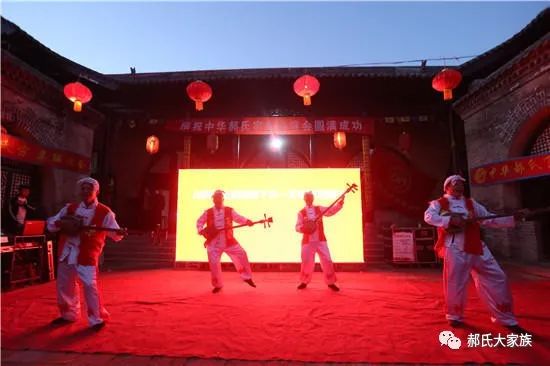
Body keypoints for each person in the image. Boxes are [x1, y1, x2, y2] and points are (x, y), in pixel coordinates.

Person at [424, 175, 526, 332]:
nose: (459, 187)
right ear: (447, 187)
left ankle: (505, 317)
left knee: (498, 277)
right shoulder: (439, 203)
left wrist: (512, 218)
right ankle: (455, 316)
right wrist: (450, 221)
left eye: (461, 185)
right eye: (455, 184)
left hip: (476, 245)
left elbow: (489, 218)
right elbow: (429, 216)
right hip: (455, 248)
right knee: (455, 283)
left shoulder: (471, 203)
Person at [47, 177, 126, 330]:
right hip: (67, 252)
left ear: (97, 191)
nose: (85, 191)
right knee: (65, 285)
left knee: (90, 285)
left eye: (89, 188)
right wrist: (60, 224)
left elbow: (115, 235)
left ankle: (96, 318)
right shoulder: (70, 208)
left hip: (87, 254)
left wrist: (120, 232)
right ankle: (69, 315)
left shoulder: (105, 212)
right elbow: (51, 224)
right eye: (83, 188)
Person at [196, 189, 256, 293]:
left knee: (241, 253)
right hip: (213, 243)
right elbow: (199, 221)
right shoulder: (208, 212)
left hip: (228, 240)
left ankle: (247, 277)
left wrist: (247, 221)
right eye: (215, 199)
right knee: (214, 263)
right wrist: (201, 230)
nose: (217, 200)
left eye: (219, 198)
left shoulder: (229, 210)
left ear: (222, 199)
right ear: (213, 200)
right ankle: (218, 284)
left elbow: (238, 218)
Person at [295, 191, 344, 291]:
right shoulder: (301, 213)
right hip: (307, 241)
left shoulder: (319, 209)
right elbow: (297, 227)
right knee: (306, 261)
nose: (309, 199)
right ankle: (304, 281)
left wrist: (340, 203)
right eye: (307, 197)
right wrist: (304, 228)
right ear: (304, 199)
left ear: (313, 199)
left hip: (321, 240)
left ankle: (330, 282)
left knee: (327, 260)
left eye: (310, 197)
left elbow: (330, 211)